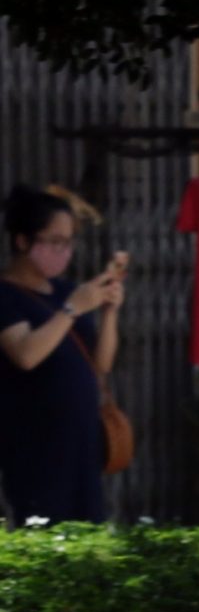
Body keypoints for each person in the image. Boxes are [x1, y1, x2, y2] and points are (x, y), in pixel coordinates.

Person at [0, 185, 122, 526]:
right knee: (45, 533)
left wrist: (110, 312)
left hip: (81, 440)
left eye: (68, 242)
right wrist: (71, 310)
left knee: (87, 534)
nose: (63, 251)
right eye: (54, 242)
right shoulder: (7, 296)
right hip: (34, 443)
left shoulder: (67, 292)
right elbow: (25, 354)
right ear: (23, 242)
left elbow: (101, 364)